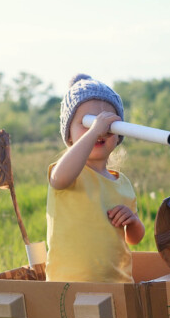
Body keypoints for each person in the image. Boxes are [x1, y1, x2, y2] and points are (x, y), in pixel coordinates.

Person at [45, 74, 145, 283]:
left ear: (118, 135)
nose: (99, 130)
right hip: (68, 284)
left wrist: (133, 222)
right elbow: (58, 179)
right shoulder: (70, 173)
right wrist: (94, 132)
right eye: (87, 123)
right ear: (69, 136)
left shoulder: (122, 184)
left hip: (117, 283)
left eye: (108, 125)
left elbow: (133, 239)